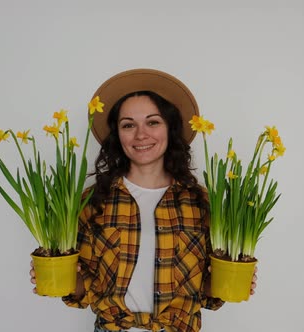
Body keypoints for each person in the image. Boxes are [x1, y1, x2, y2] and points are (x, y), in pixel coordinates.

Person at [30, 69, 257, 332]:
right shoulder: (91, 202)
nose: (141, 135)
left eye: (153, 122)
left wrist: (232, 278)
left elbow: (206, 294)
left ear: (170, 129)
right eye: (128, 125)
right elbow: (87, 290)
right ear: (118, 135)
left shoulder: (201, 203)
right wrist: (57, 276)